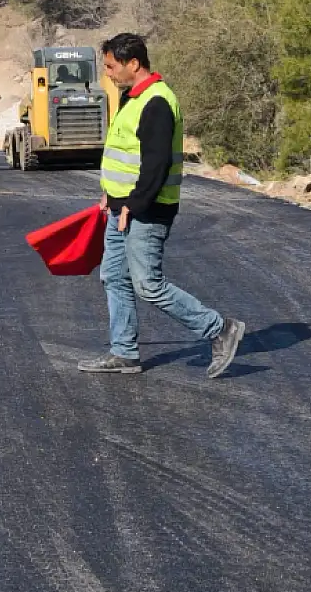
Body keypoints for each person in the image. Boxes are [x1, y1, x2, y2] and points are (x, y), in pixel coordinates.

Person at [80, 33, 245, 379]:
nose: (107, 73)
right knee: (114, 277)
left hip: (145, 210)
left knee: (147, 284)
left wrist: (133, 206)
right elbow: (127, 155)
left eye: (111, 66)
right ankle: (124, 353)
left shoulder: (157, 102)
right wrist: (111, 196)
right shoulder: (133, 97)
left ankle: (219, 329)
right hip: (120, 208)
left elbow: (154, 165)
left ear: (133, 64)